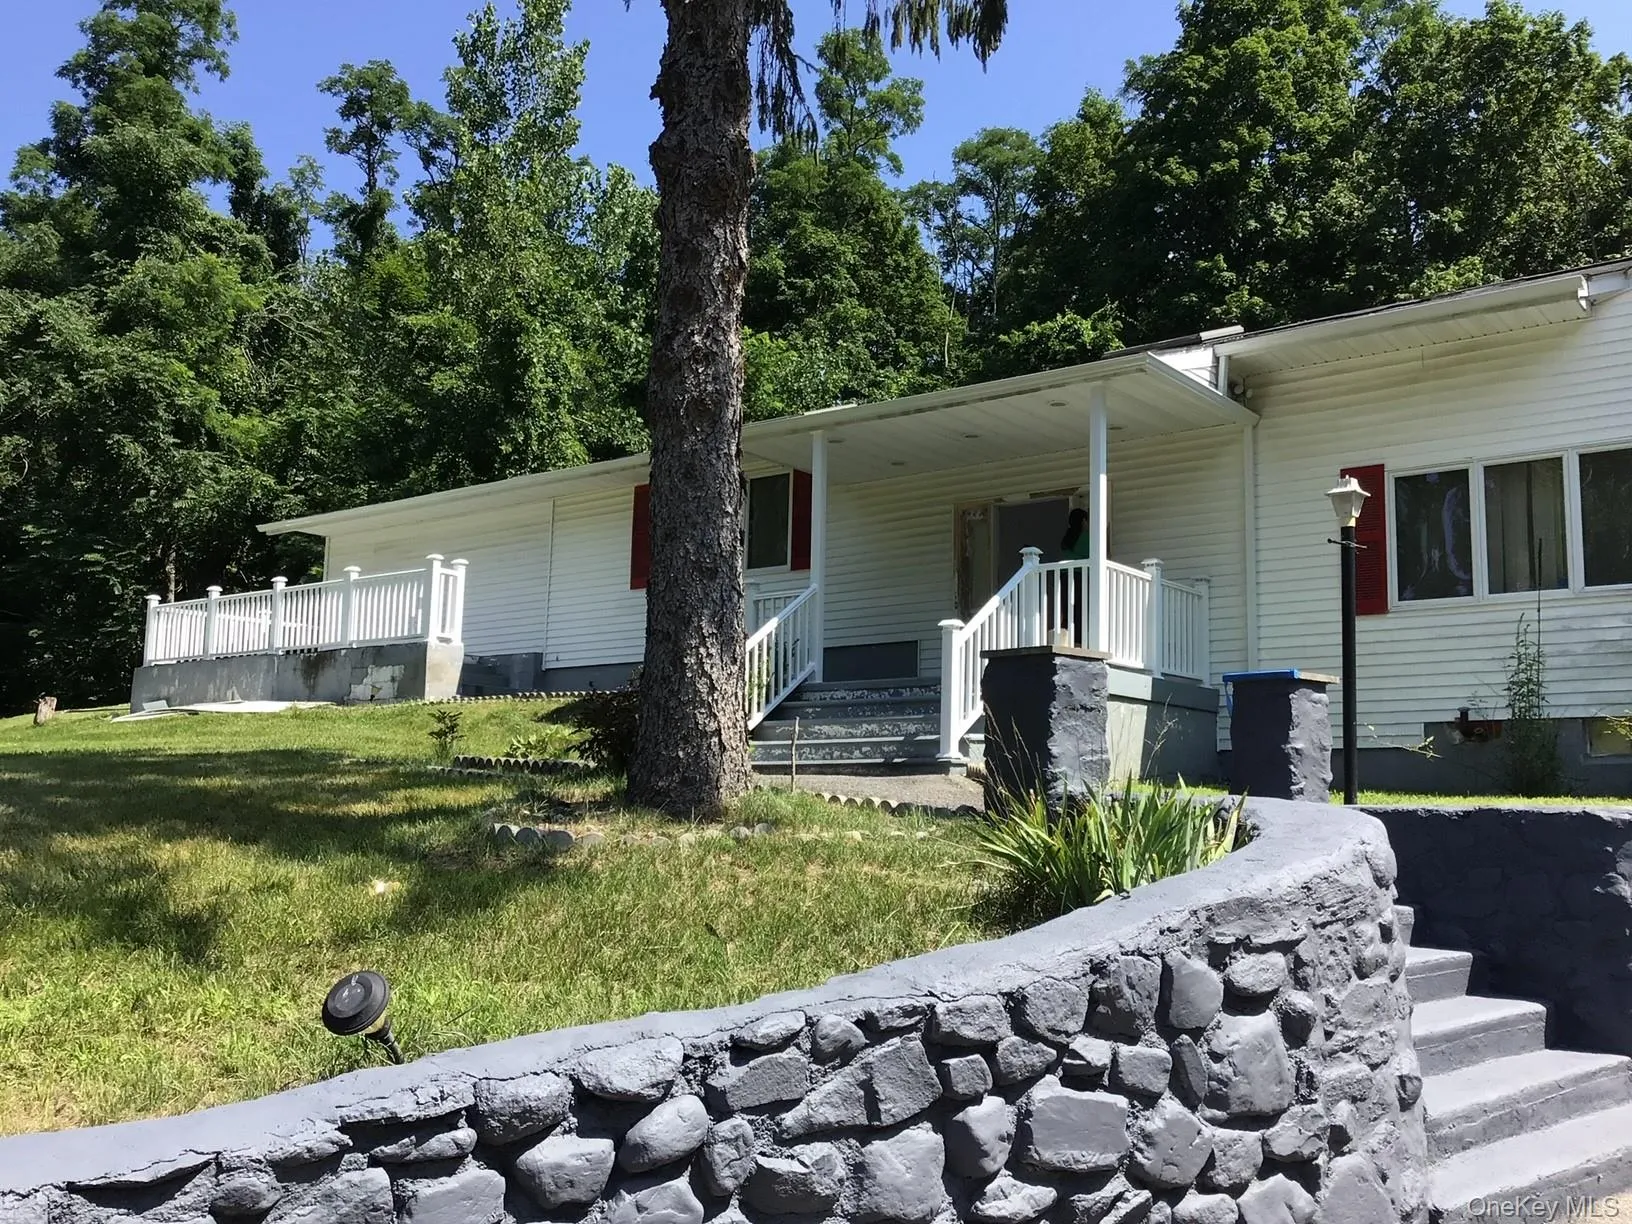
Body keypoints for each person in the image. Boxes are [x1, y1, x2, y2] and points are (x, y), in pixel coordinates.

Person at [1052, 508, 1091, 646]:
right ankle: (1078, 641)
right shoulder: (1085, 537)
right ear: (1083, 521)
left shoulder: (1067, 537)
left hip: (1064, 576)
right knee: (1080, 608)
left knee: (1067, 607)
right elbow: (1095, 555)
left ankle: (1065, 639)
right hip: (1078, 576)